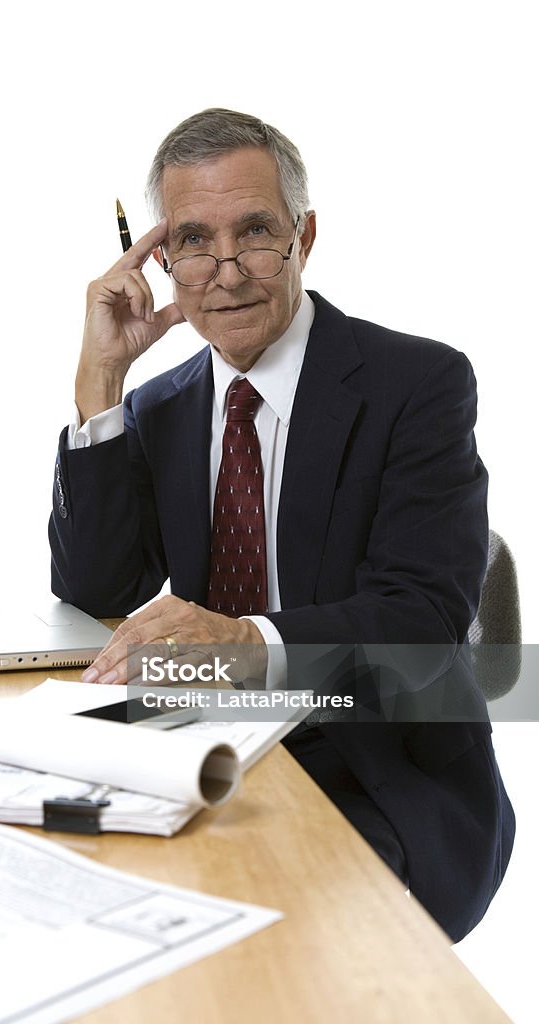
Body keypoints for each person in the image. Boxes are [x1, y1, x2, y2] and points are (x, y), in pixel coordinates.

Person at [48, 108, 514, 941]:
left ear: (304, 235)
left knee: (266, 941)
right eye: (193, 240)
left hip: (375, 770)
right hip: (202, 750)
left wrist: (242, 641)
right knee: (67, 890)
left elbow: (423, 622)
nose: (225, 273)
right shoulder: (160, 406)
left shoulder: (419, 383)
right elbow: (97, 589)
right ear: (161, 259)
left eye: (255, 232)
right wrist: (102, 386)